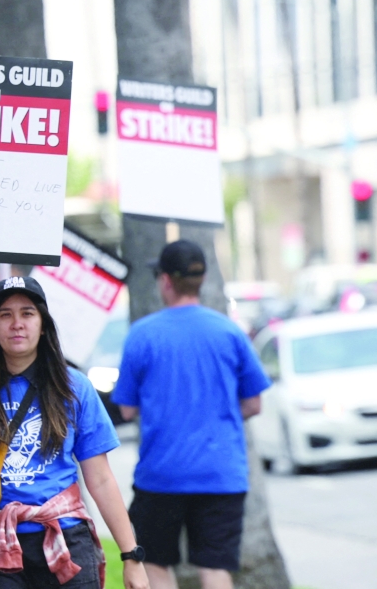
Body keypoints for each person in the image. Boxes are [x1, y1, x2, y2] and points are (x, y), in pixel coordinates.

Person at [0, 276, 148, 589]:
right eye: (5, 315)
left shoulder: (74, 387)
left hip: (65, 538)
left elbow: (100, 479)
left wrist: (131, 557)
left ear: (43, 324)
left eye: (27, 313)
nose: (17, 323)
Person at [111, 241, 271, 589]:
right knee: (215, 568)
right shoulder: (229, 331)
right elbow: (254, 403)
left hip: (161, 474)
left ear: (166, 280)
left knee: (154, 562)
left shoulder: (142, 334)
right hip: (221, 474)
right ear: (201, 278)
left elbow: (126, 408)